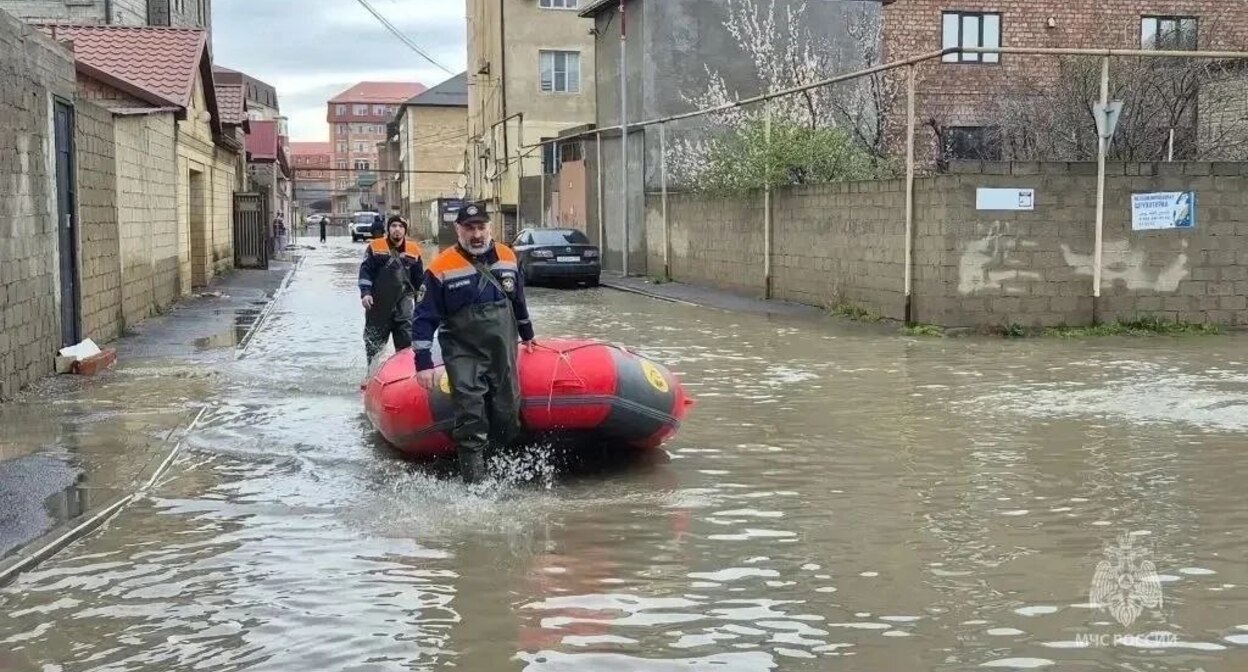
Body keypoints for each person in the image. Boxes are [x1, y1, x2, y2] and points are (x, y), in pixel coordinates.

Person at [412, 202, 535, 483]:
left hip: (502, 351)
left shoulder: (507, 257)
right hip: (463, 354)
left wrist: (528, 335)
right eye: (469, 228)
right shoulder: (440, 267)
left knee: (507, 415)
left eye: (481, 227)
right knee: (471, 417)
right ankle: (475, 487)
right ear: (458, 230)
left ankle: (501, 477)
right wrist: (423, 364)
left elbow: (519, 301)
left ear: (490, 228)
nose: (476, 234)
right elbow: (423, 318)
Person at [358, 215, 424, 367]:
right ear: (388, 229)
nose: (397, 230)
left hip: (404, 306)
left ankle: (403, 376)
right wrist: (365, 293)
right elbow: (365, 272)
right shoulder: (375, 247)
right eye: (394, 226)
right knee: (374, 345)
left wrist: (422, 304)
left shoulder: (413, 250)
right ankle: (372, 374)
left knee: (406, 345)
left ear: (405, 230)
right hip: (379, 305)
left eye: (401, 227)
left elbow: (419, 282)